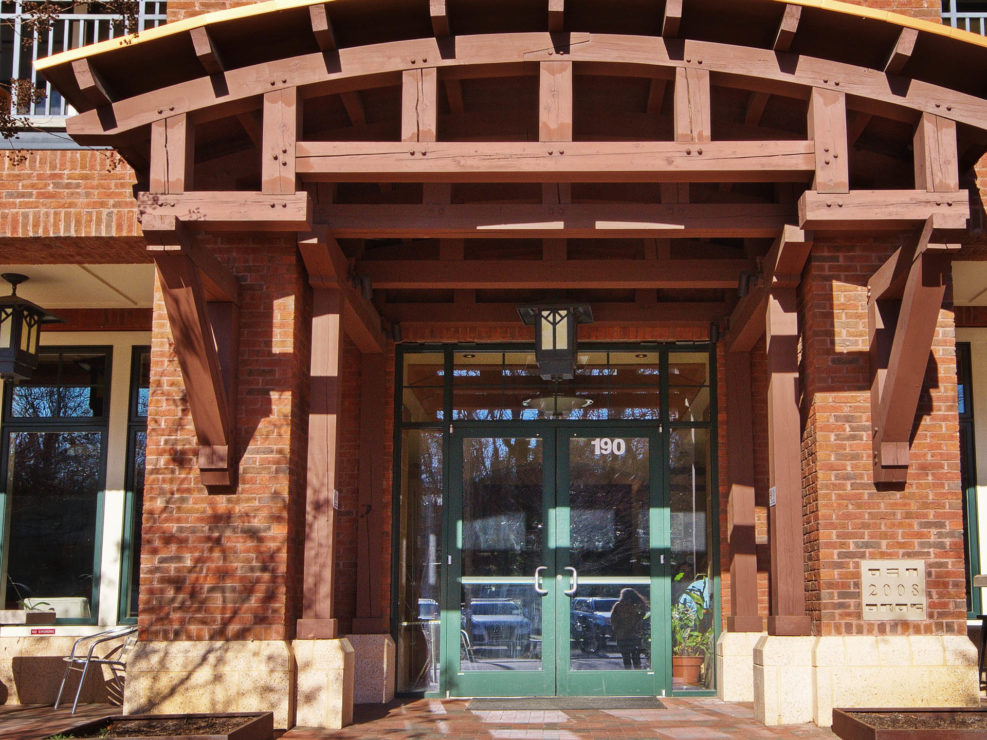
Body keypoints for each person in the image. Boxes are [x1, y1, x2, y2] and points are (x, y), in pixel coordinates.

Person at [609, 588, 648, 669]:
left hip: (622, 635)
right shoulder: (639, 605)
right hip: (635, 634)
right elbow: (643, 617)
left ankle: (628, 674)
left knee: (626, 658)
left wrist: (616, 630)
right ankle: (638, 674)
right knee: (636, 657)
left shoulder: (619, 606)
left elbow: (613, 620)